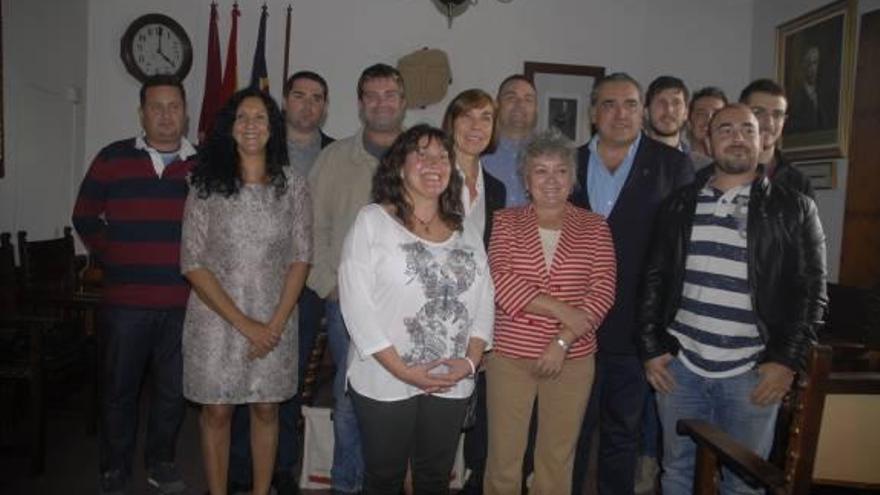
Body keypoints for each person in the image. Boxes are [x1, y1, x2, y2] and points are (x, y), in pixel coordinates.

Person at [638, 103, 827, 495]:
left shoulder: (795, 209)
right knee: (677, 473)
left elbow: (812, 293)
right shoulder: (678, 204)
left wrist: (785, 361)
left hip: (753, 374)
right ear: (707, 140)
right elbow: (653, 280)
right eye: (725, 129)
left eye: (747, 129)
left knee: (745, 482)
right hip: (681, 368)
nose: (737, 137)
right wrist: (651, 348)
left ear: (763, 140)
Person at [338, 124, 495, 494]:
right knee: (384, 478)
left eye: (442, 156)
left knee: (434, 478)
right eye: (421, 154)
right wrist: (404, 372)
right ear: (399, 165)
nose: (433, 163)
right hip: (385, 377)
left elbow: (485, 299)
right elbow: (356, 306)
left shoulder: (467, 230)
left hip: (450, 377)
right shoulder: (372, 221)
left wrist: (471, 362)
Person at [180, 88, 311, 495]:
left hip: (275, 315)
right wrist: (245, 324)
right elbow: (192, 262)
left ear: (273, 128)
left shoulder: (293, 185)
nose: (251, 125)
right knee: (217, 411)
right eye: (242, 117)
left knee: (267, 407)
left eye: (260, 118)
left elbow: (301, 257)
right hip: (215, 317)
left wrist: (270, 324)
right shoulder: (205, 183)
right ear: (230, 127)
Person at [571, 72, 694, 495]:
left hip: (636, 329)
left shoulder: (673, 166)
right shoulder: (568, 163)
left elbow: (678, 257)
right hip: (573, 329)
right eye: (608, 104)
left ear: (643, 111)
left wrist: (660, 333)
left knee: (622, 435)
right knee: (568, 435)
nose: (619, 114)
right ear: (592, 113)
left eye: (629, 104)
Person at [73, 74, 195, 495]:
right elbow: (85, 216)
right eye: (156, 107)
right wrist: (116, 255)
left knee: (172, 393)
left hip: (183, 304)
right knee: (119, 392)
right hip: (125, 305)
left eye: (174, 106)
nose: (166, 115)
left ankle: (161, 462)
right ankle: (114, 468)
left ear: (185, 111)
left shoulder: (203, 166)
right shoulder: (112, 158)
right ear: (142, 113)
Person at [483, 129, 617, 495]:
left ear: (573, 178)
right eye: (540, 171)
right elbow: (501, 280)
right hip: (510, 355)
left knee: (557, 459)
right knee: (504, 459)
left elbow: (602, 290)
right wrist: (563, 311)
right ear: (526, 180)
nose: (551, 180)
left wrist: (563, 338)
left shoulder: (595, 227)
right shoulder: (505, 221)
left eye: (560, 170)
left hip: (572, 357)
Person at [227, 70, 335, 495]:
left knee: (288, 384)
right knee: (242, 381)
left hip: (304, 288)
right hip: (248, 287)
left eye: (317, 98)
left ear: (325, 106)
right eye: (299, 95)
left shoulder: (336, 153)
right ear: (284, 102)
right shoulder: (257, 146)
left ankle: (281, 468)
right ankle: (240, 471)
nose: (308, 105)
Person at [308, 63, 407, 494]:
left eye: (390, 94)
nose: (381, 103)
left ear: (403, 102)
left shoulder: (425, 154)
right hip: (348, 303)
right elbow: (313, 228)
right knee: (350, 401)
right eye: (372, 95)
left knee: (407, 397)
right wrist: (329, 284)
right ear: (360, 103)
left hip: (409, 307)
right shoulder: (334, 160)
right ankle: (348, 485)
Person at [440, 88, 506, 494]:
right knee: (433, 422)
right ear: (451, 122)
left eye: (485, 118)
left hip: (478, 314)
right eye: (467, 117)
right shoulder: (431, 174)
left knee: (474, 412)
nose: (476, 127)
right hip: (432, 312)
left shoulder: (496, 187)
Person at [734, 79, 815, 199]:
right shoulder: (715, 175)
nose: (769, 123)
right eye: (758, 112)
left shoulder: (799, 182)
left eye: (777, 115)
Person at [483, 75, 539, 207]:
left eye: (528, 99)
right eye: (511, 98)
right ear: (497, 105)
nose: (520, 105)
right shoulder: (479, 150)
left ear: (536, 109)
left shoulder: (550, 153)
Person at [787, 46, 838, 133]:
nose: (813, 68)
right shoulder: (796, 97)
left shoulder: (825, 96)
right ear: (803, 66)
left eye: (815, 63)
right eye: (809, 63)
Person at [686, 87, 728, 170]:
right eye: (701, 113)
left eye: (716, 114)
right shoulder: (675, 165)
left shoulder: (735, 166)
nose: (709, 119)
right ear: (689, 123)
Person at [645, 76, 690, 151]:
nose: (669, 109)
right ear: (646, 112)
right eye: (661, 103)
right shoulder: (627, 160)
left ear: (686, 113)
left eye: (676, 103)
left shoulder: (700, 162)